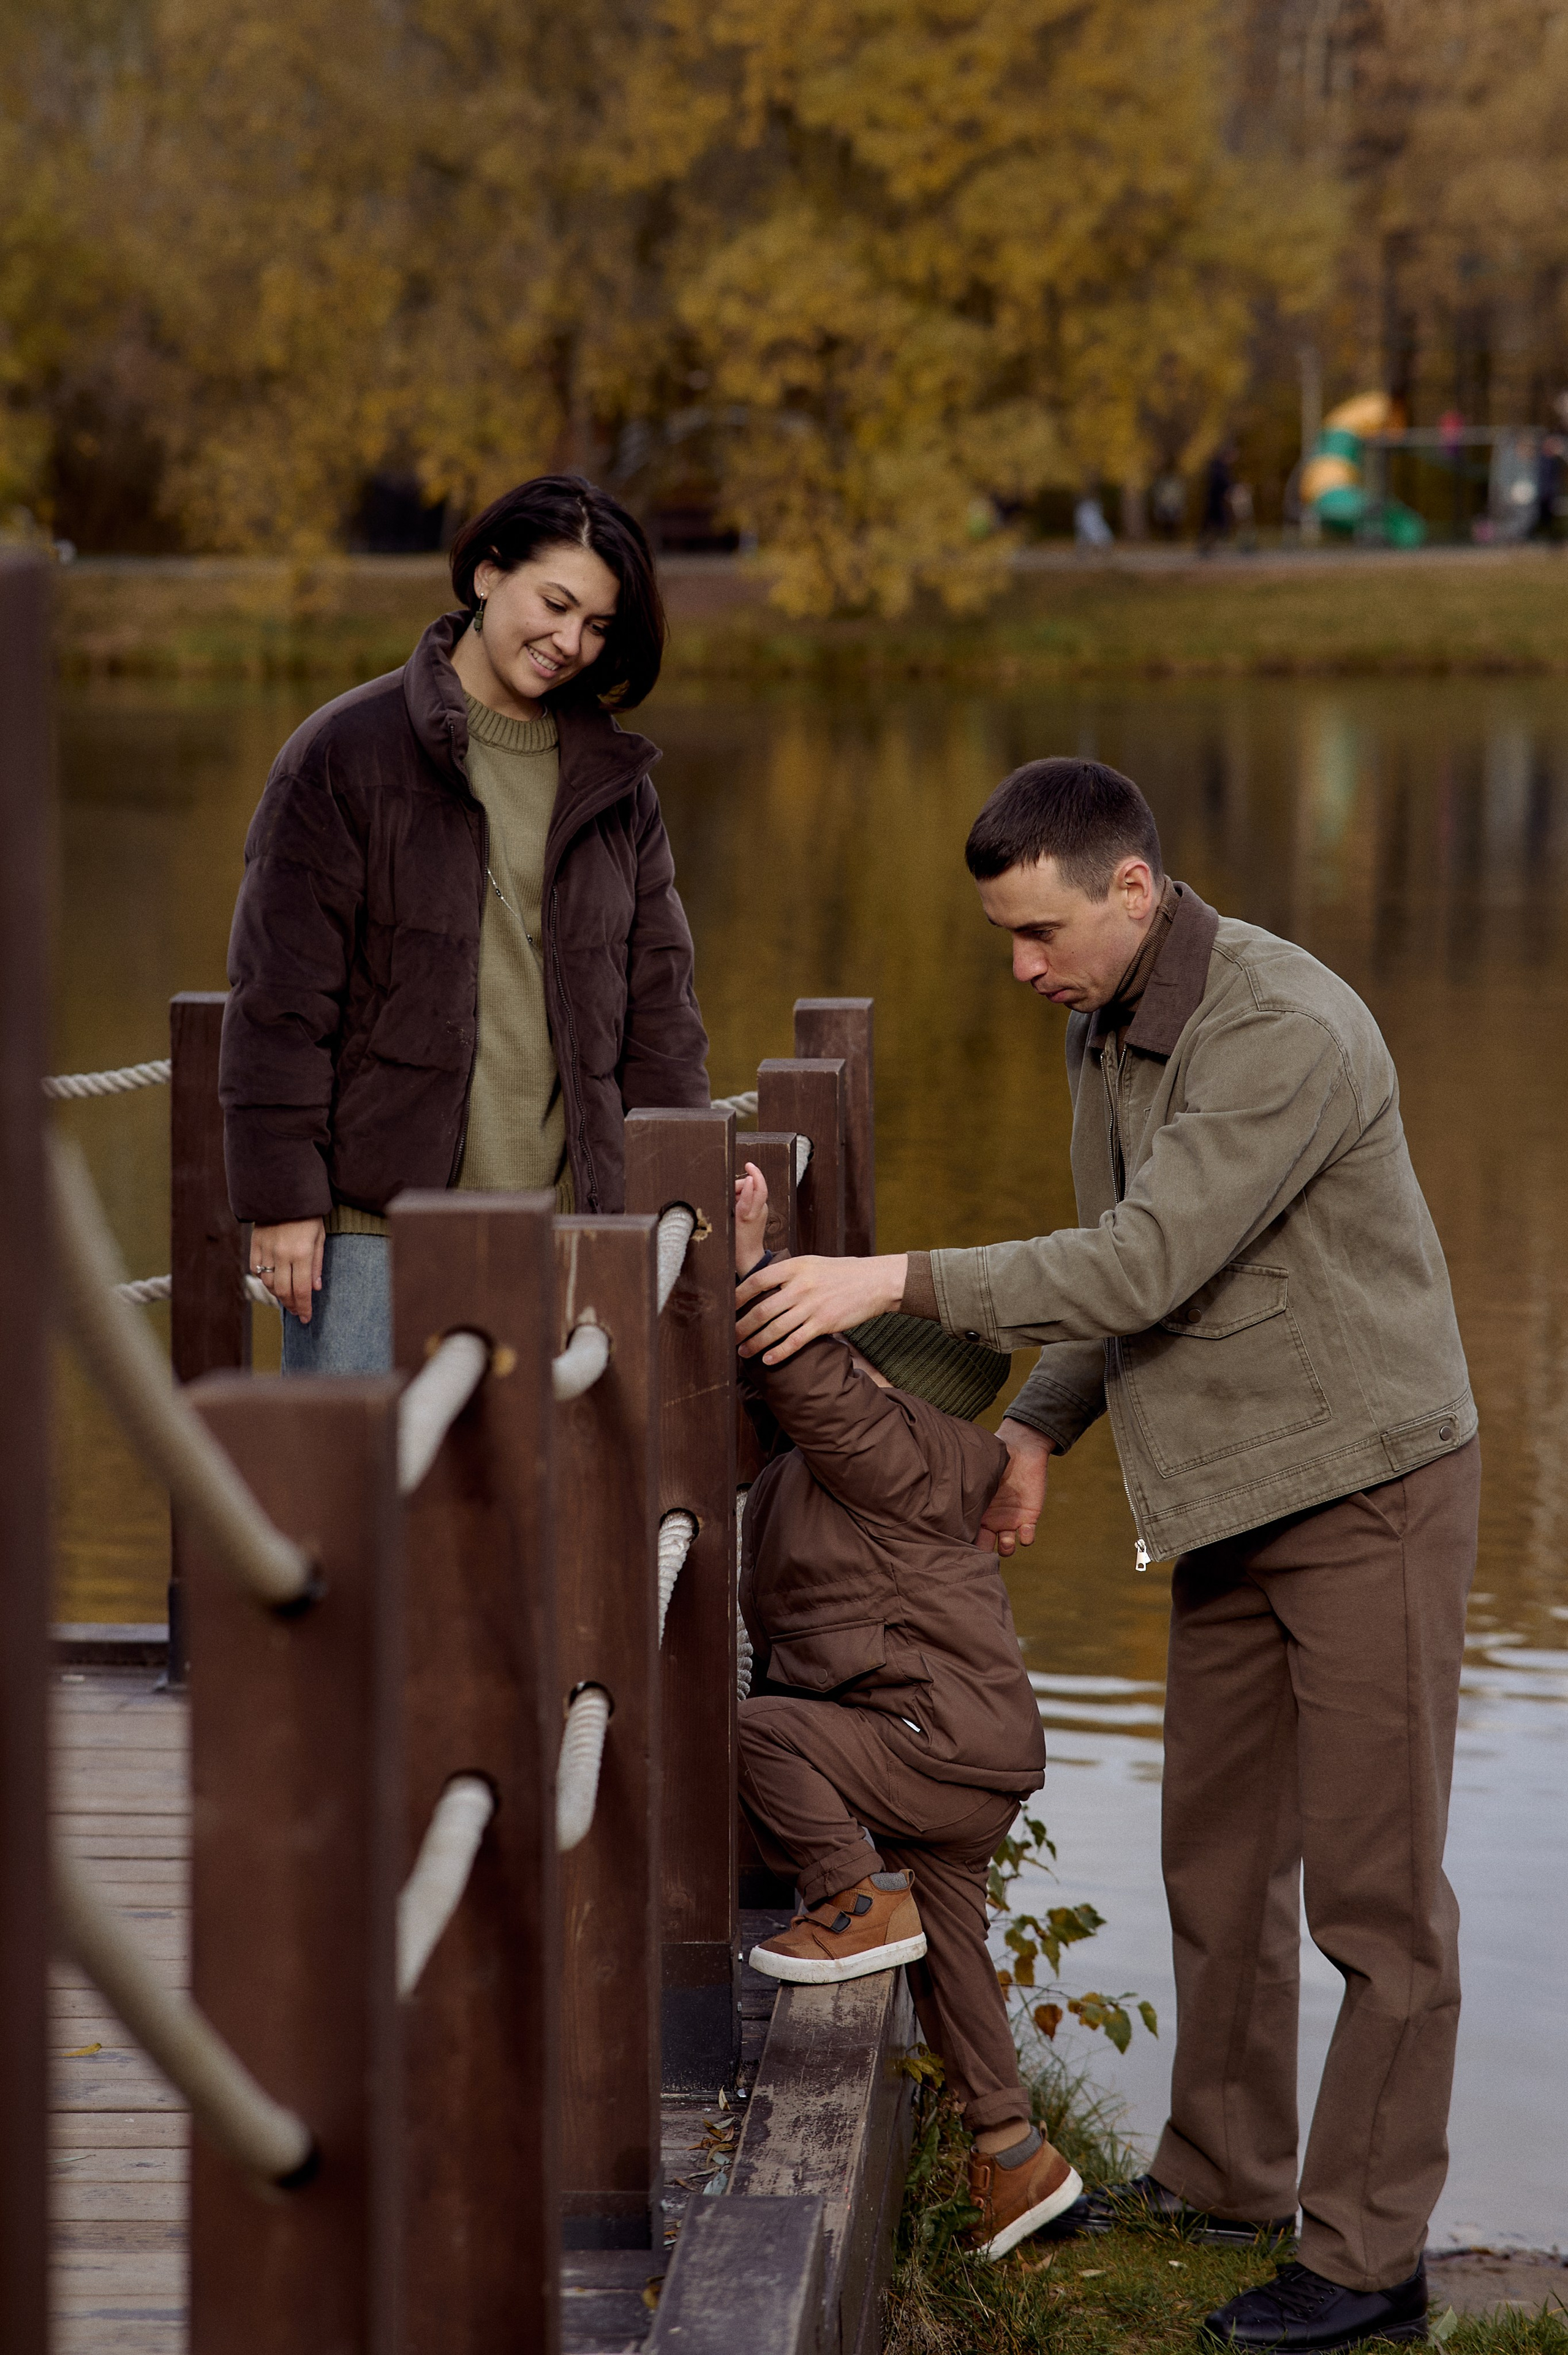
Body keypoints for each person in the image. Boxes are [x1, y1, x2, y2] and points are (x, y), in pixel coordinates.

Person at [734, 758, 1479, 2351]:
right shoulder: (1106, 1021)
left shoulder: (1279, 1024)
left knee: (1379, 1901)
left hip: (1368, 1482)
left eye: (1038, 931)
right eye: (1006, 936)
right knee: (1214, 1864)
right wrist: (1037, 1430)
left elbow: (1145, 1250)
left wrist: (890, 1279)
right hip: (1224, 1491)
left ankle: (1369, 2261)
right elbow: (1138, 1275)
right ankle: (1223, 2179)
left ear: (1131, 890)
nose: (1019, 965)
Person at [219, 474, 709, 1373]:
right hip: (372, 1233)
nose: (570, 643)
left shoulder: (617, 784)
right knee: (359, 1510)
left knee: (537, 1514)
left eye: (598, 626)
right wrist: (283, 1196)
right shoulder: (344, 753)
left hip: (567, 1230)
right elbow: (279, 999)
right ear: (487, 575)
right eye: (555, 604)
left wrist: (676, 1191)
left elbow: (661, 1012)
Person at [731, 1161, 1080, 2263]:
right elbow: (776, 1393)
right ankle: (1013, 2151)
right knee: (953, 1955)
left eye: (858, 1371)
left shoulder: (906, 1454)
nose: (844, 1384)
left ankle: (851, 1899)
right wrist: (755, 1248)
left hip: (931, 1744)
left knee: (760, 1733)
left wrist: (756, 1268)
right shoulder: (850, 1461)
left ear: (891, 1387)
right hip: (959, 1757)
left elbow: (816, 1390)